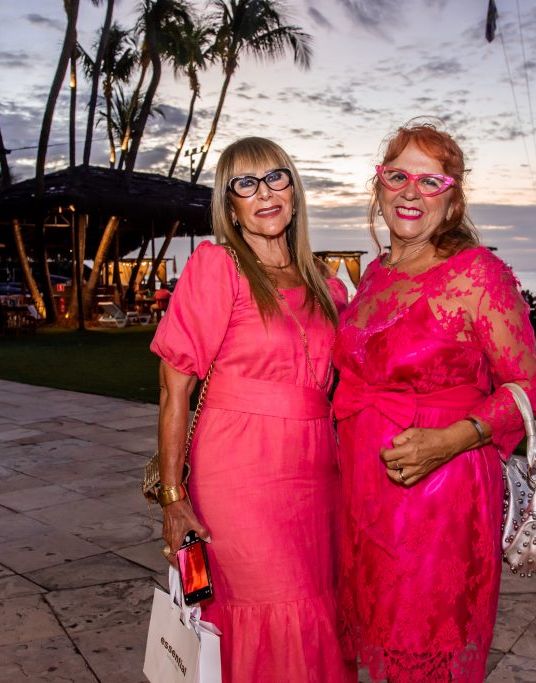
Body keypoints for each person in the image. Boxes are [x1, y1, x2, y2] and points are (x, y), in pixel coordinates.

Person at [332, 122, 536, 682]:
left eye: (431, 180)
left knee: (424, 653)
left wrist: (449, 441)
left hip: (440, 495)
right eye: (397, 175)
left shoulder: (479, 275)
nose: (410, 192)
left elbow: (528, 386)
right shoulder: (376, 276)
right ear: (378, 187)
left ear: (452, 200)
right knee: (370, 645)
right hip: (361, 493)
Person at [150, 137, 355, 683]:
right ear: (230, 203)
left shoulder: (327, 283)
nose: (264, 193)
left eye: (276, 177)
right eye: (246, 183)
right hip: (239, 471)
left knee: (315, 604)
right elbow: (175, 389)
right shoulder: (218, 267)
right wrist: (173, 499)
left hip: (317, 474)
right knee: (268, 604)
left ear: (294, 188)